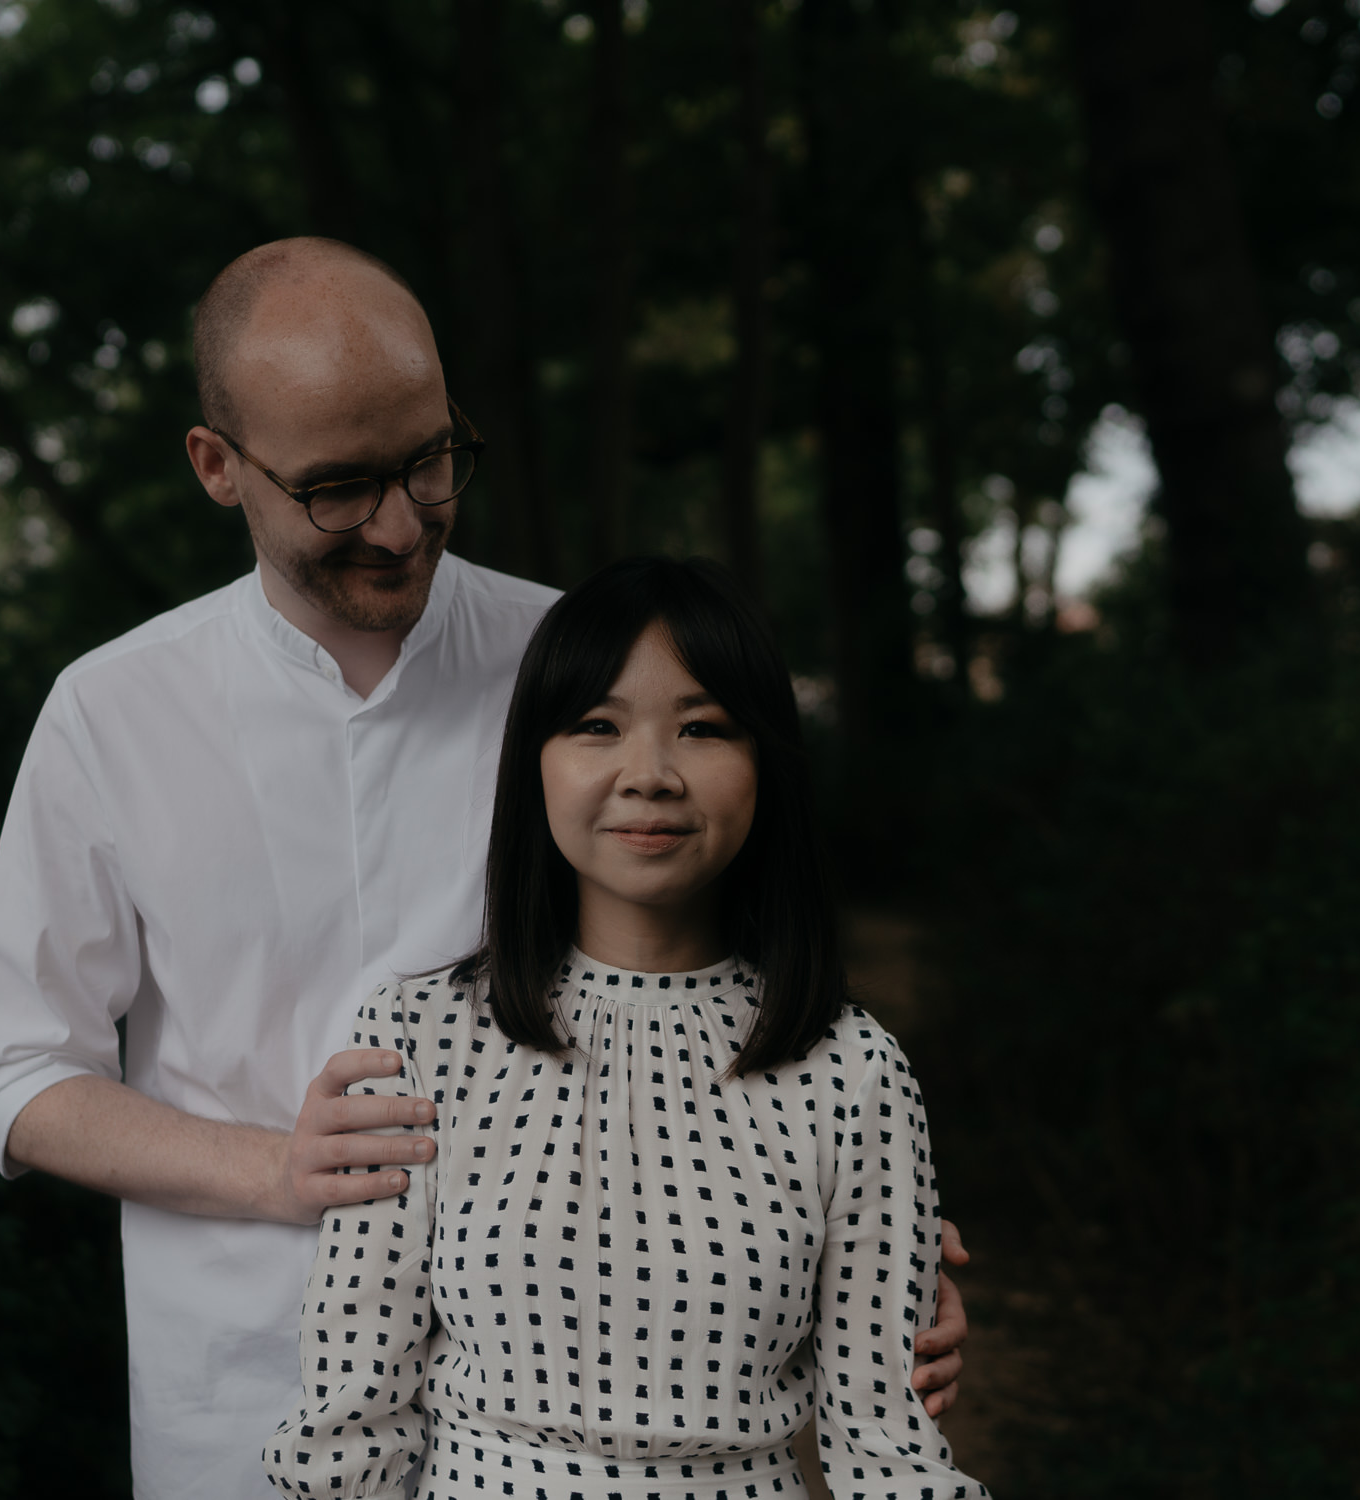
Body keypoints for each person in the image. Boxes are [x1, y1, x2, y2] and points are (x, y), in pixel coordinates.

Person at [0, 238, 968, 1499]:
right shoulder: (110, 712)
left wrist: (852, 1238)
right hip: (243, 1390)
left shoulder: (581, 671)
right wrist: (275, 1169)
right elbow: (13, 1066)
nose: (397, 522)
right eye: (337, 487)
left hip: (595, 1394)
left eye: (429, 462)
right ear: (218, 468)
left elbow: (729, 983)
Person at [263, 557, 986, 1500]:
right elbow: (349, 1424)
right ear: (537, 760)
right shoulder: (417, 1037)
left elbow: (887, 1453)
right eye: (597, 726)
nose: (648, 775)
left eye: (702, 728)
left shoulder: (852, 1072)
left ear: (764, 761)